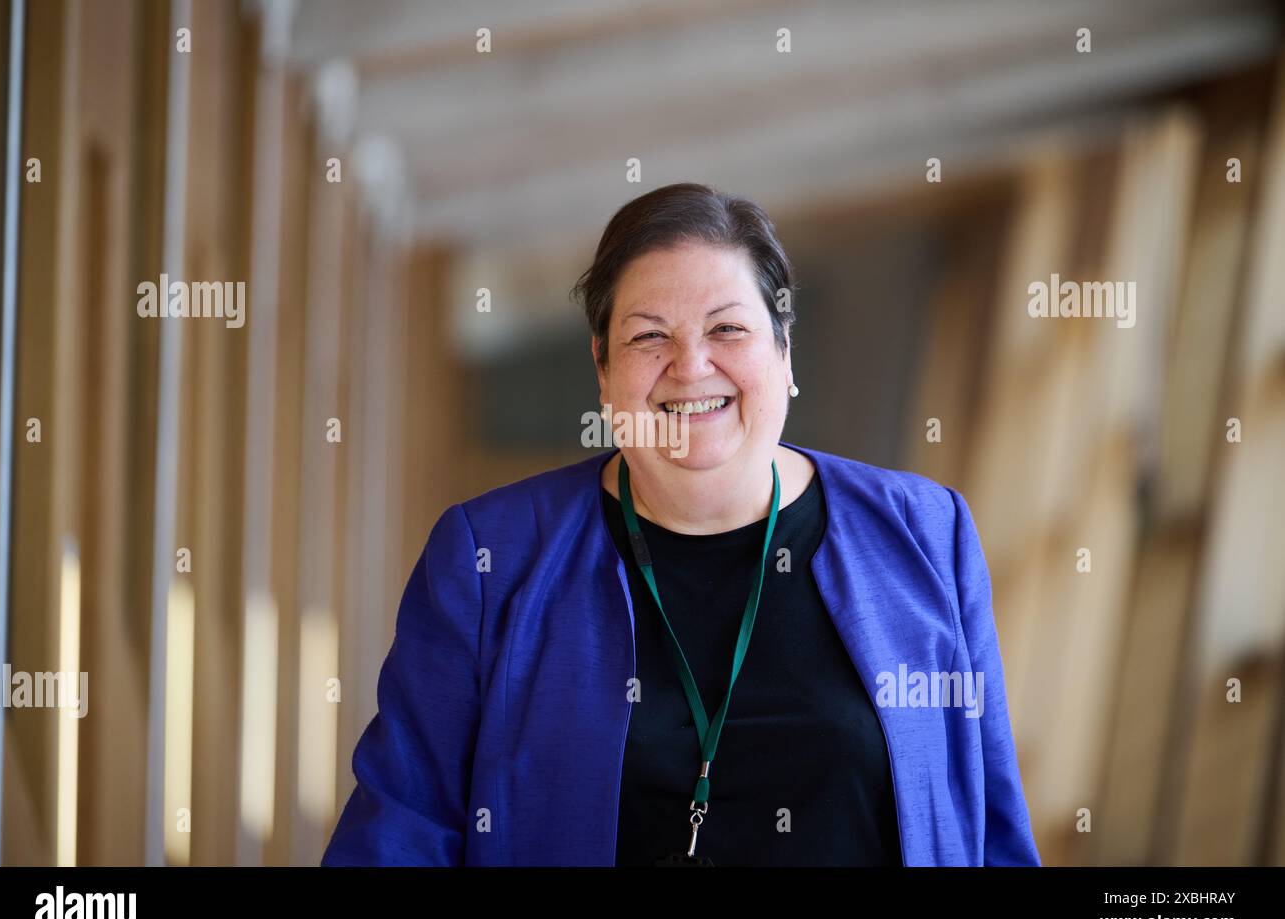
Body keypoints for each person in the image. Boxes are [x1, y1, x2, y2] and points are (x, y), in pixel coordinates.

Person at [321, 182, 1040, 866]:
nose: (691, 366)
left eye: (728, 328)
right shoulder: (490, 559)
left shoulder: (925, 534)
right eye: (648, 336)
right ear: (603, 371)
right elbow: (400, 833)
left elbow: (994, 834)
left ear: (784, 353)